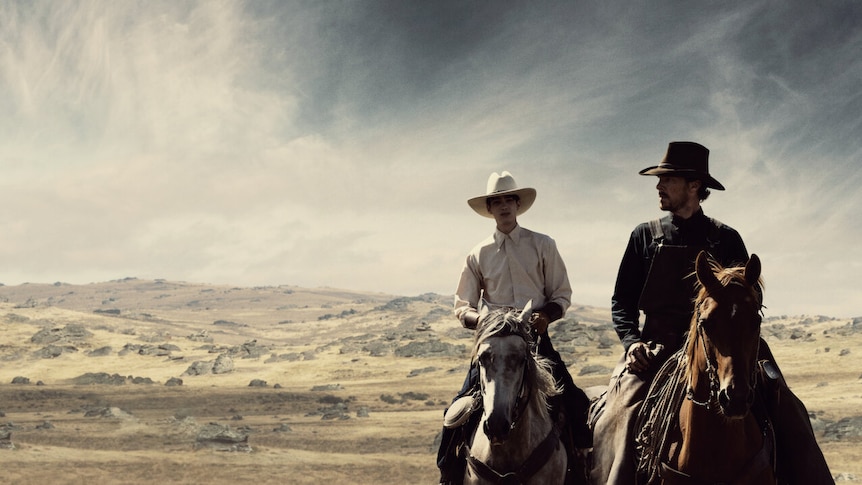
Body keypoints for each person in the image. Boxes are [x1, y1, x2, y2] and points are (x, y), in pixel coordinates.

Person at [589, 141, 832, 484]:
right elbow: (621, 302)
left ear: (694, 186)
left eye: (667, 179)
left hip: (726, 344)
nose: (659, 186)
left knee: (787, 406)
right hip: (655, 349)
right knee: (619, 412)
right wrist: (631, 344)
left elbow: (750, 295)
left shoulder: (726, 238)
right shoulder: (644, 236)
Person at [437, 171, 591, 485]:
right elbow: (461, 306)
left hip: (535, 344)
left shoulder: (543, 245)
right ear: (490, 209)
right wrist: (482, 321)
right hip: (493, 347)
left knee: (575, 403)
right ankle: (449, 473)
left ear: (518, 204)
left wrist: (546, 316)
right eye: (497, 201)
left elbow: (562, 294)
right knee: (455, 414)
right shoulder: (478, 254)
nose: (504, 206)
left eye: (509, 199)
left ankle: (581, 467)